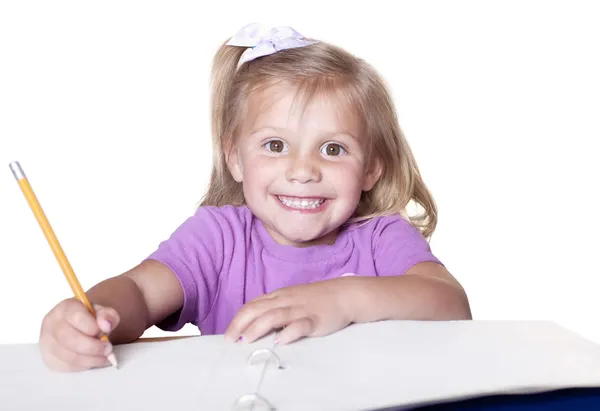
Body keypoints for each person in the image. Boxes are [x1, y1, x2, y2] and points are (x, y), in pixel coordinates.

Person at [39, 23, 471, 372]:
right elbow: (139, 290)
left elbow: (451, 304)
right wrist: (94, 314)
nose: (303, 171)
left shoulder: (379, 236)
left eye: (333, 149)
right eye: (276, 146)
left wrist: (343, 299)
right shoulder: (218, 237)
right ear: (236, 158)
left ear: (371, 168)